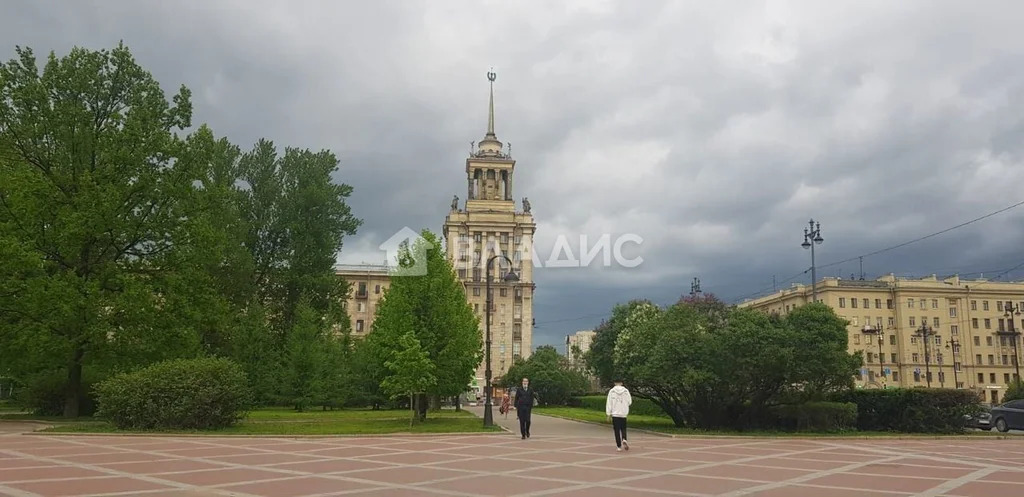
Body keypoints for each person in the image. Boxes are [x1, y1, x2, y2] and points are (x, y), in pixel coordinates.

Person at [606, 379, 632, 451]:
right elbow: (630, 402)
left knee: (616, 430)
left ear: (614, 383)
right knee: (623, 428)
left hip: (615, 414)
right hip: (623, 413)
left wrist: (608, 414)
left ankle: (619, 446)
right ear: (621, 383)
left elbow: (609, 403)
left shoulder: (612, 391)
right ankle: (624, 438)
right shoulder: (626, 391)